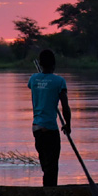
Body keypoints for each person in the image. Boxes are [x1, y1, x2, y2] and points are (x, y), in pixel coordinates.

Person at [29, 49, 71, 187]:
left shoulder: (33, 79)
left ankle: (47, 195)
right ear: (54, 64)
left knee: (46, 166)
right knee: (51, 168)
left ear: (41, 64)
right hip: (50, 129)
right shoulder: (59, 81)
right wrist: (68, 125)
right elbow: (65, 106)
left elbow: (36, 88)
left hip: (36, 128)